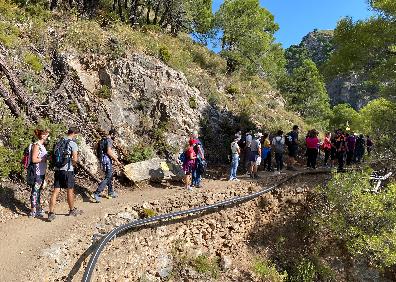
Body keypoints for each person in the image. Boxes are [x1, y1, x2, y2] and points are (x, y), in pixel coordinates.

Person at [48, 127, 82, 222]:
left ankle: (51, 212)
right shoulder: (72, 143)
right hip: (67, 170)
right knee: (70, 190)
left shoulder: (59, 142)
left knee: (55, 191)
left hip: (58, 170)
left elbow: (52, 156)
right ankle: (71, 210)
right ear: (74, 134)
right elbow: (75, 159)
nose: (76, 136)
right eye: (76, 135)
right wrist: (74, 166)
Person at [91, 129, 121, 203]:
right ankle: (96, 193)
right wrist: (116, 160)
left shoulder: (102, 139)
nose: (116, 138)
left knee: (110, 176)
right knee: (108, 177)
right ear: (112, 134)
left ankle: (111, 192)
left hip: (103, 160)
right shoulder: (109, 140)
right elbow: (109, 151)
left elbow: (95, 148)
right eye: (116, 136)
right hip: (107, 161)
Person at [28, 128, 50, 218]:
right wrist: (44, 159)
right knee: (35, 191)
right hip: (37, 172)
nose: (47, 136)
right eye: (46, 134)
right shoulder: (36, 145)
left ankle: (37, 208)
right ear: (42, 135)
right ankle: (33, 211)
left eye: (47, 134)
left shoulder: (42, 145)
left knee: (38, 191)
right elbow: (34, 159)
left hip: (41, 172)